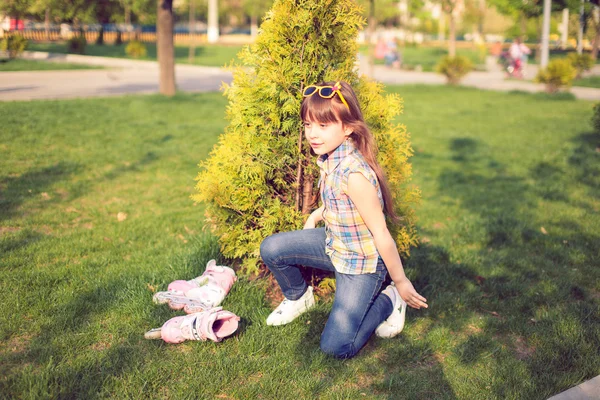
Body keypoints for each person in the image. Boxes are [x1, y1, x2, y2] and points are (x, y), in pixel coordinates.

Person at [260, 81, 428, 359]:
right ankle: (299, 297)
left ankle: (389, 300)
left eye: (323, 126)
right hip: (334, 244)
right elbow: (338, 204)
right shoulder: (330, 157)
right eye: (308, 125)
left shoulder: (354, 175)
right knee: (272, 248)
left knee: (337, 347)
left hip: (361, 265)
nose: (312, 134)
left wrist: (401, 282)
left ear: (348, 127)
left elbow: (382, 235)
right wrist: (317, 215)